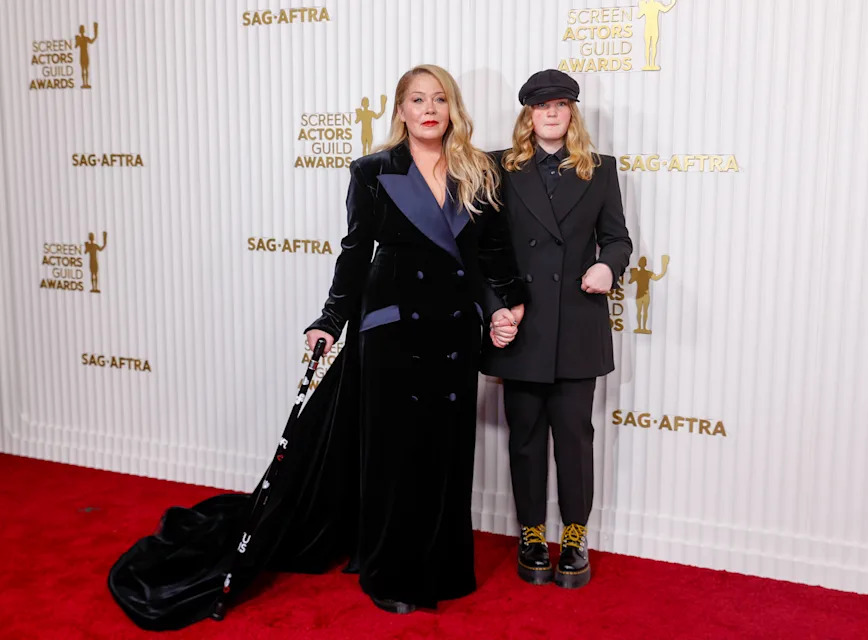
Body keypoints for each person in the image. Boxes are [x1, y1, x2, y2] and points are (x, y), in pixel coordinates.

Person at [107, 64, 527, 630]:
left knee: (446, 451)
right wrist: (331, 318)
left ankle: (445, 567)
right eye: (417, 99)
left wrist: (507, 304)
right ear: (400, 109)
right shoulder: (373, 171)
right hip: (392, 329)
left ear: (453, 108)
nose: (429, 109)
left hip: (453, 330)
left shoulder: (480, 170)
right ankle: (391, 572)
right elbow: (355, 251)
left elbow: (492, 253)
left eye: (439, 99)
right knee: (394, 455)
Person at [482, 69, 632, 589]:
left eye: (561, 105)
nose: (551, 113)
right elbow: (485, 249)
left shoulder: (601, 169)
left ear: (572, 112)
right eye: (542, 106)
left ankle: (574, 535)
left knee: (574, 437)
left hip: (576, 324)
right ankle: (530, 533)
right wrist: (497, 310)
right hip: (521, 324)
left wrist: (608, 265)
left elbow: (617, 238)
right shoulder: (497, 167)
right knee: (524, 438)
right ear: (528, 115)